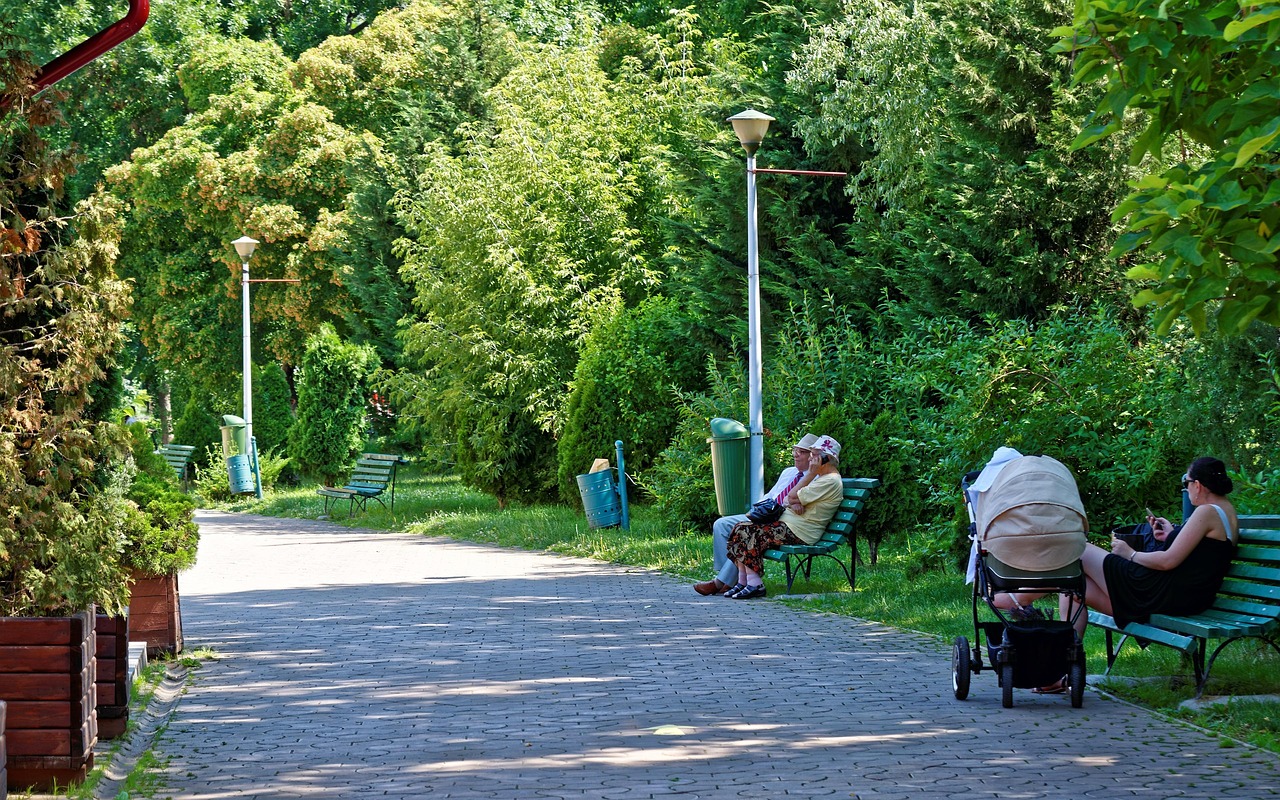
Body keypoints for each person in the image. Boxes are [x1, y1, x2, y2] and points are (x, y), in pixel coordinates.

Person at [1070, 456, 1237, 634]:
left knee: (1080, 548)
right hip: (1186, 596)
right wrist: (1170, 534)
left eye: (1186, 482)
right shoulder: (1226, 510)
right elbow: (1204, 554)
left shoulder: (1207, 511)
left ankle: (1069, 657)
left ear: (1198, 485)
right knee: (1073, 588)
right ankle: (1070, 657)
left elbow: (1167, 561)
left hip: (1168, 593)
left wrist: (1129, 553)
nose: (1186, 488)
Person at [693, 433, 819, 595]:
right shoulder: (788, 472)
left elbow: (799, 503)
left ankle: (721, 582)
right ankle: (727, 579)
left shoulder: (815, 479)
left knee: (745, 532)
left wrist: (792, 503)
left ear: (812, 457)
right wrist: (756, 511)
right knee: (721, 524)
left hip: (781, 521)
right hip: (766, 515)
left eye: (801, 451)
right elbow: (771, 496)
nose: (795, 454)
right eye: (795, 450)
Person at [722, 435, 845, 599]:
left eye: (815, 455)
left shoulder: (829, 481)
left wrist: (810, 474)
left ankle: (755, 584)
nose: (811, 458)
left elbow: (792, 496)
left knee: (747, 531)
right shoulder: (823, 479)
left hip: (800, 532)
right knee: (740, 527)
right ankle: (743, 582)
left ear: (826, 459)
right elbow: (789, 498)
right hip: (788, 526)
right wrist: (793, 498)